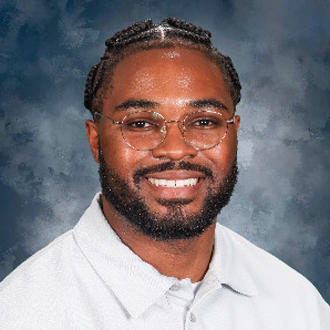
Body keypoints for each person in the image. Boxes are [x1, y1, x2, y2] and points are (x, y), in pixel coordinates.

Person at [0, 18, 329, 329]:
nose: (175, 149)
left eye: (204, 122)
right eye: (141, 123)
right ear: (95, 140)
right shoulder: (21, 313)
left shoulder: (298, 306)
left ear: (234, 133)